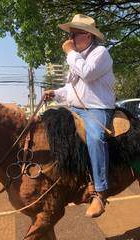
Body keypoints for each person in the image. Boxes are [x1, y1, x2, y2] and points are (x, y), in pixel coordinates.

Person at [44, 14, 115, 218]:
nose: (70, 38)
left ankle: (100, 192)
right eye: (70, 34)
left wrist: (69, 53)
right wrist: (56, 93)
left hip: (97, 108)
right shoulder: (77, 58)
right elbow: (70, 89)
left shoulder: (100, 53)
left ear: (89, 36)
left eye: (74, 34)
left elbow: (88, 73)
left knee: (95, 137)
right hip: (74, 108)